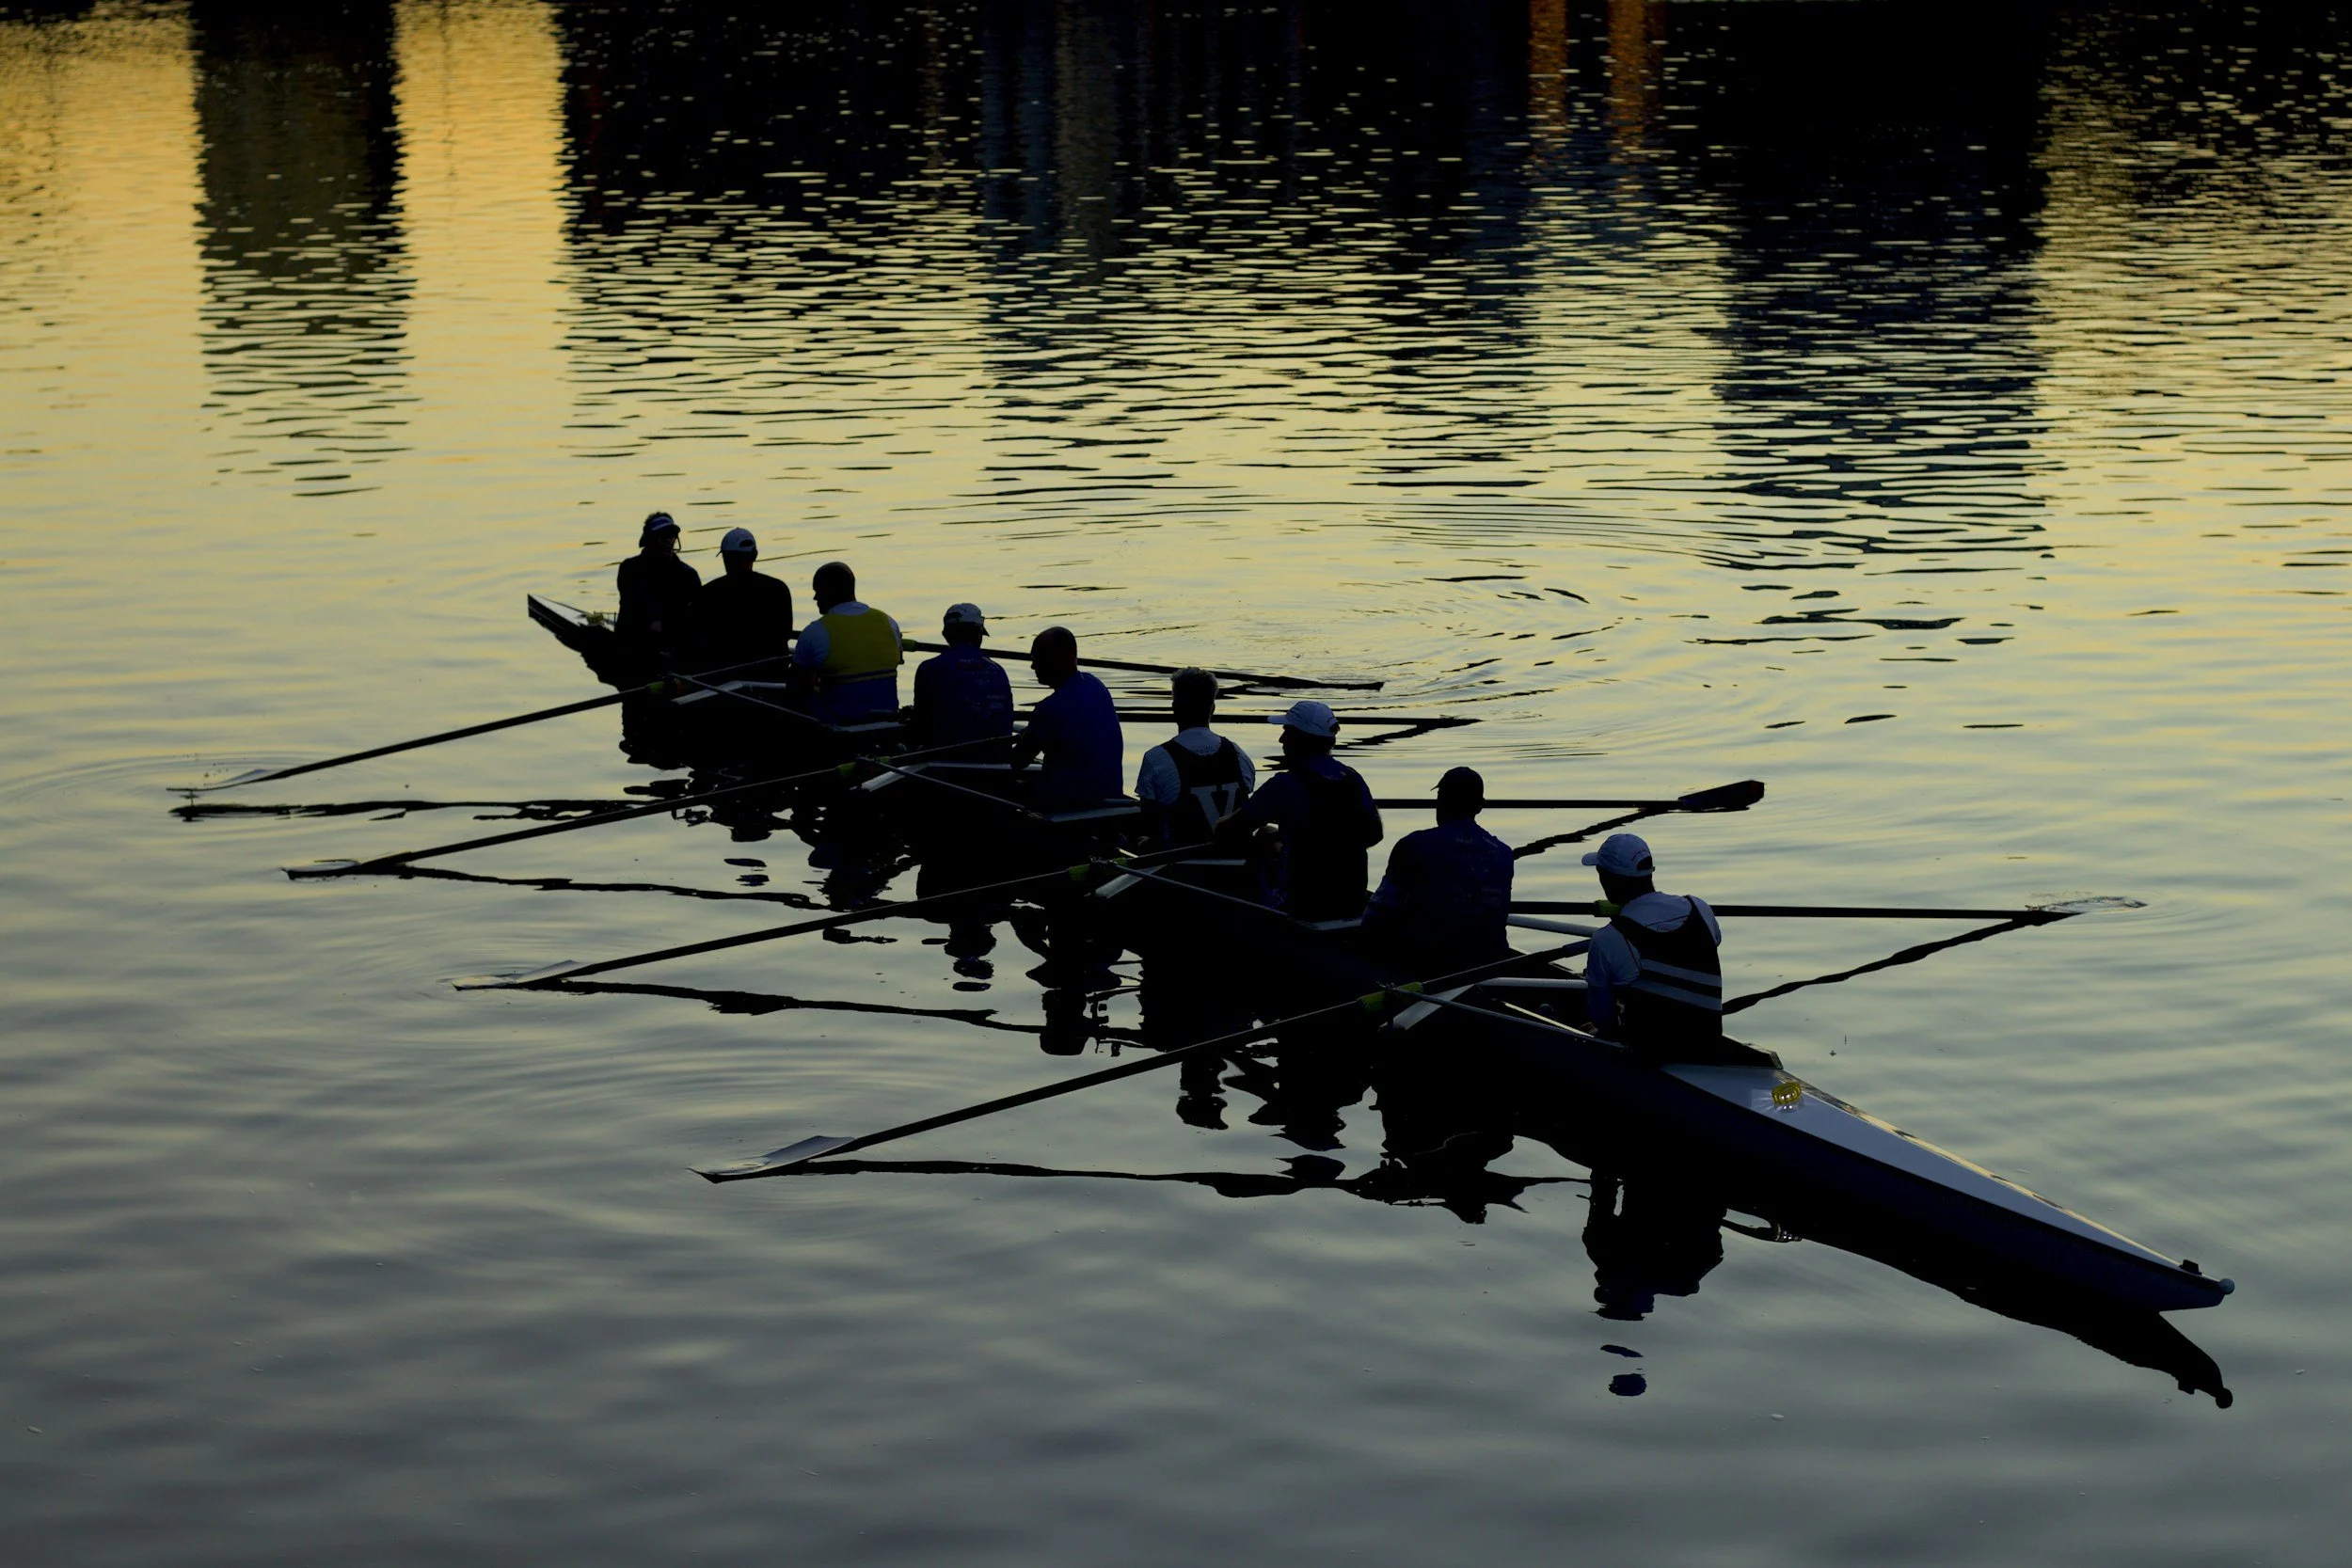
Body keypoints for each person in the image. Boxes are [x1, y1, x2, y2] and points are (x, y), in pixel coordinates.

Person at [1218, 700, 1383, 923]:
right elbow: (1374, 834)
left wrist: (1262, 839)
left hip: (1303, 905)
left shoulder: (1285, 784)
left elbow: (1227, 832)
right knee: (1269, 834)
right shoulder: (1352, 778)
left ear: (1299, 739)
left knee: (1261, 842)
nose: (1281, 740)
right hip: (1350, 900)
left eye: (1286, 732)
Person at [1580, 832, 1724, 1056]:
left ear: (1607, 877)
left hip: (1652, 1057)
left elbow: (1601, 1018)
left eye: (1599, 872)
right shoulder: (1700, 908)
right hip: (1709, 1044)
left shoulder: (1608, 939)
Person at [1363, 766, 1515, 974]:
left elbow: (1379, 913)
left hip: (1427, 962)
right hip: (1489, 960)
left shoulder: (1413, 845)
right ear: (1480, 806)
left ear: (1440, 801)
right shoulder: (1504, 853)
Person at [1134, 667, 1254, 847]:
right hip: (1237, 863)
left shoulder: (1156, 759)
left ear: (1175, 709)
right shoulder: (1240, 755)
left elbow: (1148, 822)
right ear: (1213, 709)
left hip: (1181, 866)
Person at [1008, 626, 1123, 811]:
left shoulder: (1049, 709)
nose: (1033, 665)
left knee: (1000, 788)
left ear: (1059, 659)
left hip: (1073, 803)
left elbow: (1017, 761)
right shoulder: (1096, 685)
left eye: (1038, 658)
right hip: (1110, 794)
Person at [791, 561, 902, 722]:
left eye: (817, 591)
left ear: (828, 591)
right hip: (887, 718)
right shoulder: (889, 622)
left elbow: (795, 686)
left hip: (840, 725)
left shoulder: (815, 632)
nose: (815, 597)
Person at [910, 603, 1015, 751]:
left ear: (945, 635)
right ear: (978, 634)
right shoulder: (998, 669)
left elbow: (920, 723)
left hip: (945, 756)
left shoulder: (928, 668)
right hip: (995, 755)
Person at [692, 527, 794, 673]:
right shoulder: (779, 588)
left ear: (725, 558)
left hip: (723, 672)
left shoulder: (708, 592)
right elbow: (785, 633)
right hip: (771, 670)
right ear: (755, 555)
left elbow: (695, 635)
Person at [614, 512, 700, 660]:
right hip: (636, 644)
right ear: (649, 540)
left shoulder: (688, 575)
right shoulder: (629, 569)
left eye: (672, 535)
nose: (668, 541)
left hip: (675, 647)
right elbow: (636, 605)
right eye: (663, 536)